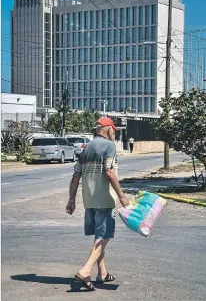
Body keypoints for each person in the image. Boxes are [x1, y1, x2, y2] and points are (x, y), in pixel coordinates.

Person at [66, 117, 130, 291]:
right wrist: (122, 196)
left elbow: (75, 177)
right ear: (107, 129)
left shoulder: (86, 149)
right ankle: (85, 270)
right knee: (104, 236)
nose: (114, 133)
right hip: (104, 199)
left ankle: (102, 273)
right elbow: (109, 173)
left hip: (89, 200)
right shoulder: (109, 146)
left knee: (98, 236)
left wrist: (71, 200)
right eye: (113, 130)